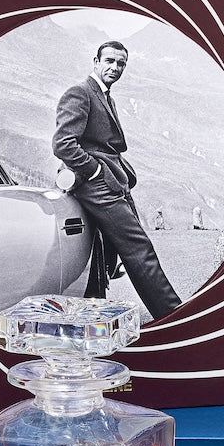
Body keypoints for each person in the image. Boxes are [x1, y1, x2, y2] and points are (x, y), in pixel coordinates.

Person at [52, 41, 181, 321]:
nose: (115, 67)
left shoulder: (105, 95)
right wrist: (95, 171)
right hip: (96, 184)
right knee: (139, 249)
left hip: (113, 180)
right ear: (96, 61)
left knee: (134, 246)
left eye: (121, 63)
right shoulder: (80, 92)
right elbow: (63, 144)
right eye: (109, 61)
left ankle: (163, 313)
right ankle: (175, 317)